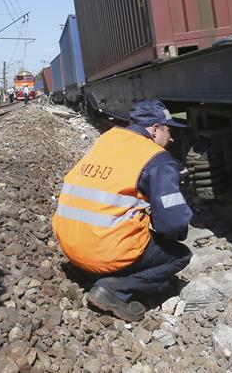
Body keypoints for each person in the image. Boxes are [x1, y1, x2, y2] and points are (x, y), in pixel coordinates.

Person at [52, 100, 193, 322]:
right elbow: (173, 224)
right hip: (101, 251)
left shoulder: (107, 140)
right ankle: (113, 289)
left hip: (70, 243)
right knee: (179, 255)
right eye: (169, 130)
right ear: (155, 129)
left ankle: (91, 270)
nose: (172, 138)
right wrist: (171, 236)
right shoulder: (156, 158)